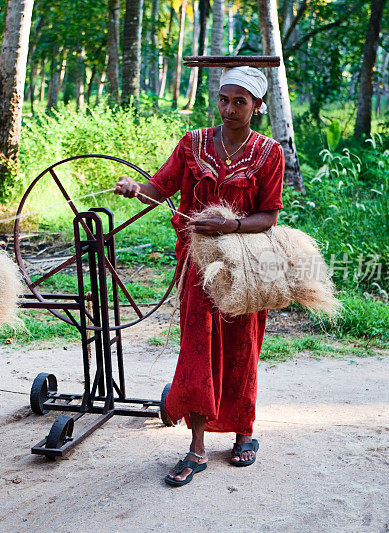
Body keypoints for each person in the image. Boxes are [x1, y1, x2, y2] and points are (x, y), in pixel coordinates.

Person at [113, 66, 285, 486]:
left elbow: (269, 215)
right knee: (197, 347)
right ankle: (197, 447)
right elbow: (159, 188)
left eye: (239, 102)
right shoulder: (193, 144)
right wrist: (135, 188)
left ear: (257, 107)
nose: (228, 108)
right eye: (224, 99)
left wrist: (231, 227)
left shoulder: (269, 153)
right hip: (197, 263)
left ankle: (244, 431)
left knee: (243, 345)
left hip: (246, 267)